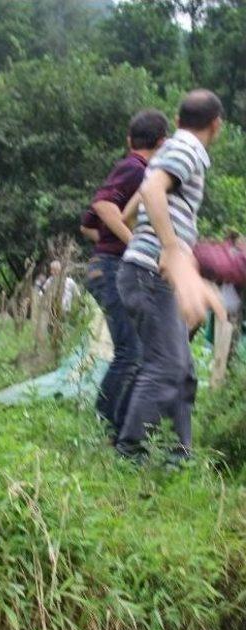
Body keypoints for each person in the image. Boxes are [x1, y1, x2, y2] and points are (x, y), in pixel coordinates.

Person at [116, 89, 226, 464]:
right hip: (151, 275)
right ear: (217, 125)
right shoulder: (188, 148)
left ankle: (179, 454)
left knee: (183, 371)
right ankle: (130, 452)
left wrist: (167, 246)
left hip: (146, 271)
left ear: (177, 120)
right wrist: (171, 249)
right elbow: (149, 190)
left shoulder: (167, 151)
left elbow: (131, 210)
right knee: (167, 367)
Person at [81, 109, 169, 439]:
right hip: (113, 269)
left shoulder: (135, 170)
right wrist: (132, 245)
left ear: (129, 139)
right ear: (162, 142)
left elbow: (87, 225)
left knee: (137, 353)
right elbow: (103, 207)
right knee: (131, 353)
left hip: (106, 266)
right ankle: (105, 427)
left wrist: (110, 240)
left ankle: (120, 426)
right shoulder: (136, 169)